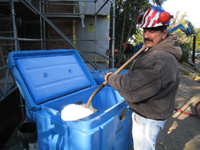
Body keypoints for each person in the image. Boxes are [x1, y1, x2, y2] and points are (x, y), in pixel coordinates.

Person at [104, 6, 182, 150]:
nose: (146, 35)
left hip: (148, 118)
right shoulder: (162, 50)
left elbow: (130, 86)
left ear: (164, 33)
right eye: (145, 30)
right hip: (156, 110)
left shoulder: (158, 59)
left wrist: (111, 78)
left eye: (152, 31)